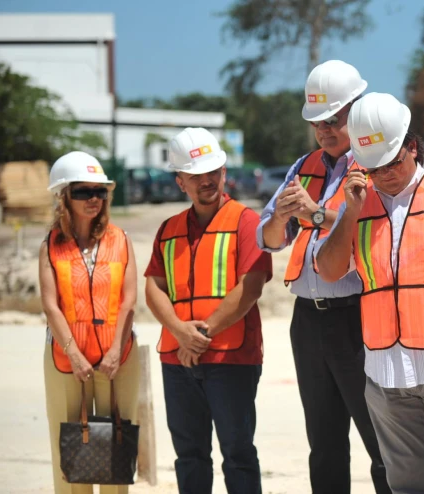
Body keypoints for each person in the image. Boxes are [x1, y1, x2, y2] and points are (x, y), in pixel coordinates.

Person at [316, 92, 424, 493]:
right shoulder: (358, 206)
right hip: (384, 375)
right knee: (406, 486)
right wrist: (349, 214)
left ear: (412, 146)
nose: (385, 175)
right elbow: (328, 270)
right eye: (374, 168)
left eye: (393, 162)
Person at [257, 60, 390, 493]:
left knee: (380, 443)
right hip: (308, 321)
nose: (326, 130)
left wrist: (314, 213)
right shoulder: (305, 166)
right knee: (324, 444)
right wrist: (281, 213)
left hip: (357, 317)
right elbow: (270, 238)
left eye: (334, 119)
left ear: (357, 109)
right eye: (318, 122)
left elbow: (375, 224)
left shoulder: (377, 163)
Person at [145, 127, 272, 494]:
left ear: (224, 173)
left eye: (213, 172)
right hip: (177, 359)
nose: (207, 181)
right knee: (189, 455)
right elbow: (153, 286)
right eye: (196, 175)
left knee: (238, 453)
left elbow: (251, 285)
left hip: (231, 359)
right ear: (180, 180)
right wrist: (179, 330)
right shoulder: (168, 230)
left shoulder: (246, 222)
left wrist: (199, 335)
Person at [39, 151, 140, 494]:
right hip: (65, 360)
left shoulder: (121, 239)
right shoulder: (51, 245)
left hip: (119, 358)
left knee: (115, 444)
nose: (94, 199)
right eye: (83, 192)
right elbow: (51, 305)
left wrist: (113, 352)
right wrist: (75, 355)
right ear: (64, 196)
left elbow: (129, 302)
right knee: (69, 449)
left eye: (100, 192)